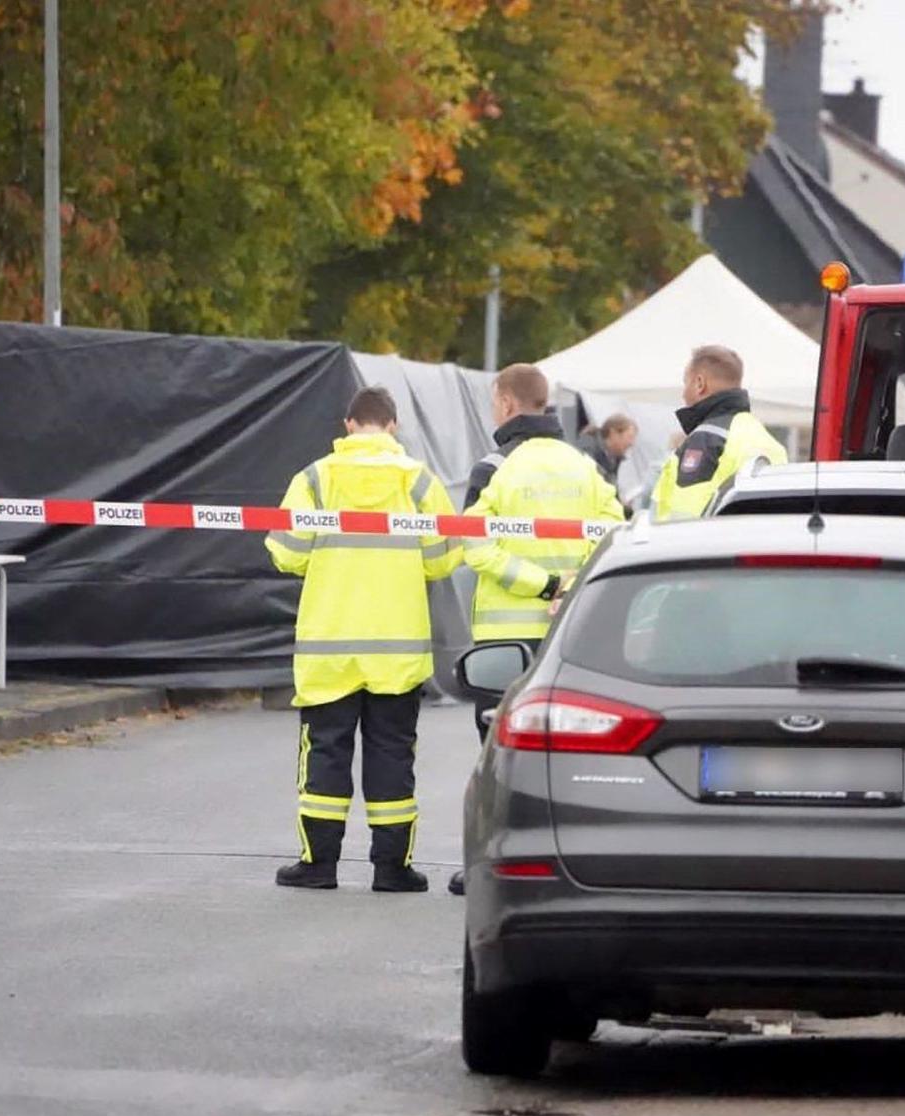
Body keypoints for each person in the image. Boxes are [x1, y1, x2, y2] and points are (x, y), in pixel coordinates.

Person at [265, 386, 460, 893]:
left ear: (348, 424)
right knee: (393, 754)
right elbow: (442, 558)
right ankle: (392, 869)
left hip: (329, 646)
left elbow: (285, 552)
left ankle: (319, 864)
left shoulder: (314, 479)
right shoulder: (419, 482)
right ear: (393, 426)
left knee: (325, 752)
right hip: (397, 650)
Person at [450, 364, 625, 895]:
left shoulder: (494, 468)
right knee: (569, 747)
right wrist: (571, 588)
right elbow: (616, 533)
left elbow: (474, 544)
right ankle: (571, 862)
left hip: (505, 643)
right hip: (570, 636)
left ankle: (490, 865)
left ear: (506, 403)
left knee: (497, 754)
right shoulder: (583, 467)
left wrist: (541, 584)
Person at [650, 345, 788, 520]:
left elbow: (683, 520)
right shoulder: (767, 440)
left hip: (698, 546)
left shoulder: (707, 439)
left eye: (686, 383)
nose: (683, 393)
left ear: (699, 383)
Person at [576, 414, 638, 493]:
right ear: (613, 433)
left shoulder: (614, 457)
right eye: (630, 437)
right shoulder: (588, 449)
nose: (631, 443)